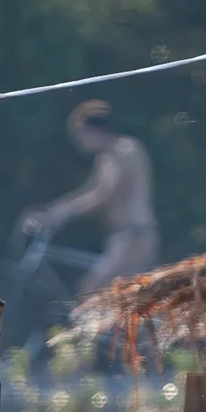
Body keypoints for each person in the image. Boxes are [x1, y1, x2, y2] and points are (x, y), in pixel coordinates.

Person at [21, 98, 159, 296]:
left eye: (81, 136)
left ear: (94, 131)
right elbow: (88, 192)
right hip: (123, 238)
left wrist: (63, 214)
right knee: (110, 298)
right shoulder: (106, 158)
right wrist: (52, 210)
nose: (81, 143)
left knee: (91, 292)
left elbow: (103, 194)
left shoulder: (125, 150)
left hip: (134, 237)